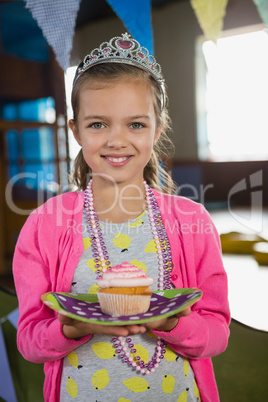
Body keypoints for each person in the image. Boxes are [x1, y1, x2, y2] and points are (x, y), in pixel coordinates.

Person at [13, 33, 230, 402]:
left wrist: (173, 323)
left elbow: (217, 333)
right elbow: (30, 340)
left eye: (136, 125)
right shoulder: (44, 225)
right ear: (76, 130)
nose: (117, 140)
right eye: (97, 124)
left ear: (157, 130)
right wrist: (68, 330)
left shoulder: (192, 221)